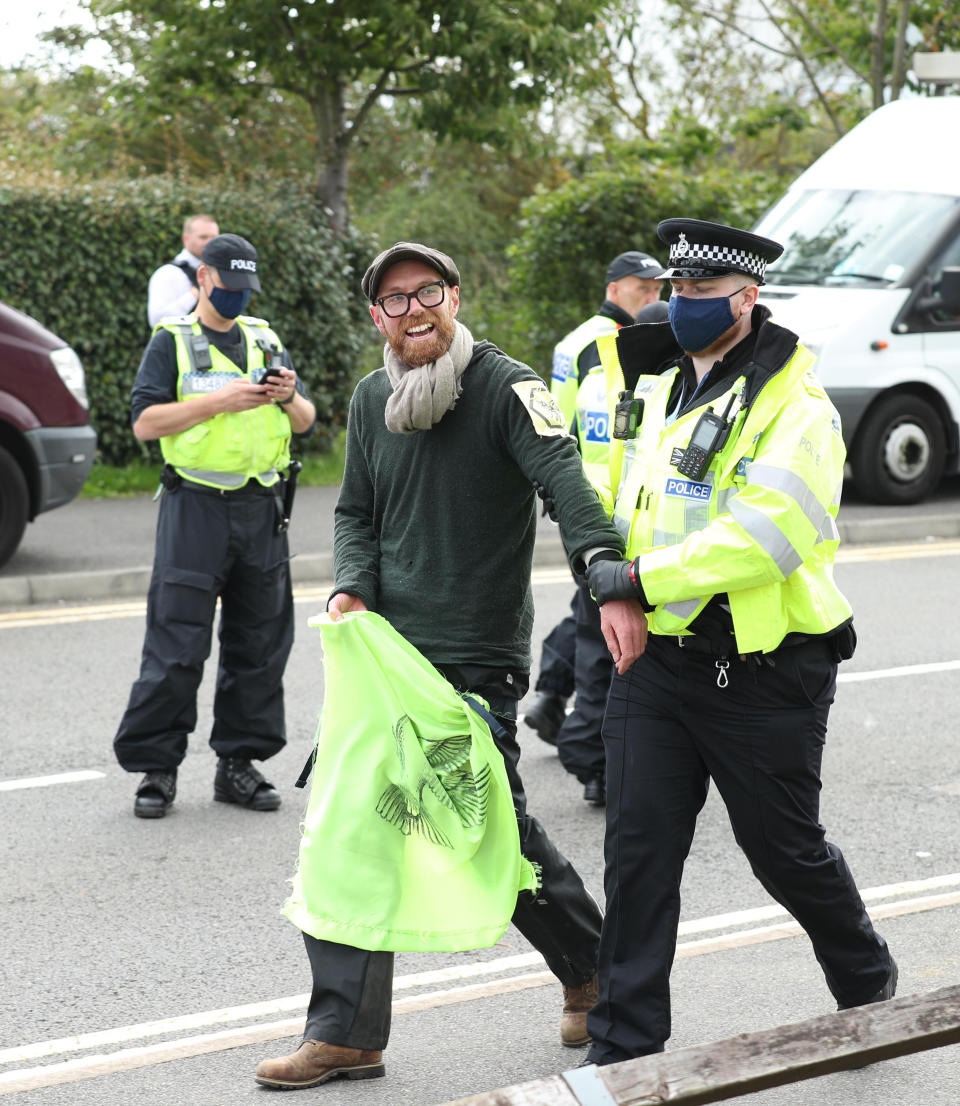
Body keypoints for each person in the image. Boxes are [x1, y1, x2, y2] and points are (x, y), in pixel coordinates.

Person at [254, 241, 643, 1091]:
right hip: (385, 658)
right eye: (394, 300)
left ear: (454, 297)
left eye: (426, 291)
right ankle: (348, 1032)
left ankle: (594, 968)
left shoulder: (506, 389)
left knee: (483, 833)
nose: (413, 309)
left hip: (473, 659)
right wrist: (352, 588)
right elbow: (354, 510)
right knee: (349, 829)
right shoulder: (368, 399)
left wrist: (606, 576)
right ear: (376, 318)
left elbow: (565, 484)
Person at [580, 218, 897, 1065]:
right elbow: (615, 494)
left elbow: (766, 539)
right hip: (657, 665)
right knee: (638, 856)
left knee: (783, 853)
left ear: (747, 299)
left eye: (701, 294)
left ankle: (866, 982)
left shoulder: (799, 407)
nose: (682, 306)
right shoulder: (657, 385)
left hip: (763, 671)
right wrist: (605, 566)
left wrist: (641, 582)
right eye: (676, 291)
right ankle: (622, 1050)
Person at [115, 232, 316, 819]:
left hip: (262, 510)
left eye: (244, 290)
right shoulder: (171, 341)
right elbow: (145, 423)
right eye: (228, 288)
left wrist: (288, 396)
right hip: (195, 509)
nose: (237, 299)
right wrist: (216, 403)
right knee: (176, 644)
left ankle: (239, 766)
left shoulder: (265, 338)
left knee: (259, 645)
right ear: (203, 279)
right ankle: (157, 768)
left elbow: (304, 419)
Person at [525, 251, 663, 747]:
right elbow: (557, 424)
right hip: (590, 498)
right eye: (642, 289)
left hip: (617, 495)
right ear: (613, 289)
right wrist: (558, 487)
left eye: (657, 290)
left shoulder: (644, 338)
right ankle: (589, 738)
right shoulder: (586, 345)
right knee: (597, 608)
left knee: (592, 604)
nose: (653, 297)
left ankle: (551, 695)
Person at [554, 298, 669, 807]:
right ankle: (598, 756)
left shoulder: (598, 374)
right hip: (627, 533)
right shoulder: (656, 386)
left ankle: (585, 747)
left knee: (589, 635)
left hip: (587, 524)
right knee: (617, 651)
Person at [147, 213, 220, 327]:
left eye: (214, 238)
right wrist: (195, 293)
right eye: (203, 237)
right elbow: (157, 321)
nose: (210, 243)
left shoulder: (219, 271)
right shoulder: (168, 274)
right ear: (186, 239)